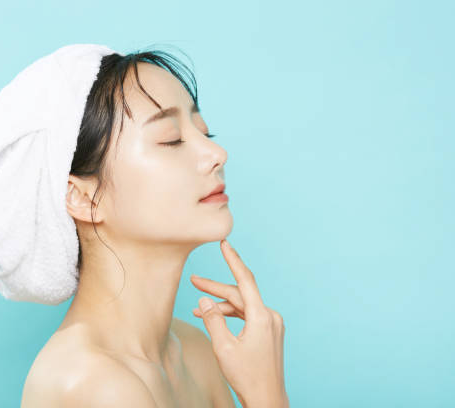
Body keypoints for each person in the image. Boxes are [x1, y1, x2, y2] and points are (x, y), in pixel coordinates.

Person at [19, 49, 289, 408]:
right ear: (84, 198)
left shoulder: (195, 351)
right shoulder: (95, 384)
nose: (216, 153)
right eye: (171, 139)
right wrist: (266, 394)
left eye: (204, 132)